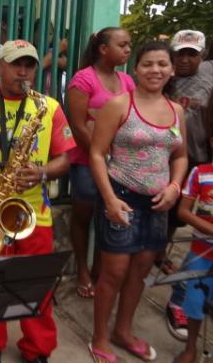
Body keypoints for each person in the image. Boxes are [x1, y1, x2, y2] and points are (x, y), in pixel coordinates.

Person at [0, 40, 76, 363]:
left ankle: (37, 348)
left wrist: (44, 172)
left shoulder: (49, 107)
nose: (24, 71)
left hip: (34, 208)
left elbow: (65, 159)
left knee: (37, 282)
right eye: (16, 64)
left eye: (30, 65)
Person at [88, 41, 188, 363]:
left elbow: (181, 155)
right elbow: (96, 153)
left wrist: (174, 187)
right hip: (122, 199)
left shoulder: (177, 111)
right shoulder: (119, 105)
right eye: (147, 64)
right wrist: (110, 199)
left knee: (139, 273)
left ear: (171, 70)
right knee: (113, 273)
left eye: (162, 64)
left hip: (158, 204)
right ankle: (100, 337)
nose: (155, 70)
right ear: (136, 69)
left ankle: (123, 331)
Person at [66, 27, 134, 299]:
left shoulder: (128, 82)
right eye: (122, 45)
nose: (128, 49)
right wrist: (100, 155)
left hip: (119, 164)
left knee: (107, 218)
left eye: (129, 45)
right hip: (86, 161)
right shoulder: (83, 80)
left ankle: (99, 270)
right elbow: (79, 126)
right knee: (83, 217)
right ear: (104, 49)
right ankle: (82, 270)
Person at [163, 30, 213, 341]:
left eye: (191, 54)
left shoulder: (210, 73)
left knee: (201, 220)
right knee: (170, 215)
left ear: (202, 56)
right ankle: (161, 259)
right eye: (179, 54)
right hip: (170, 161)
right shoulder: (163, 77)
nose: (184, 60)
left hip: (202, 159)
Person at [173, 92, 213, 363]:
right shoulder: (201, 173)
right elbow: (183, 212)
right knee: (195, 306)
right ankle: (191, 348)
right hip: (201, 254)